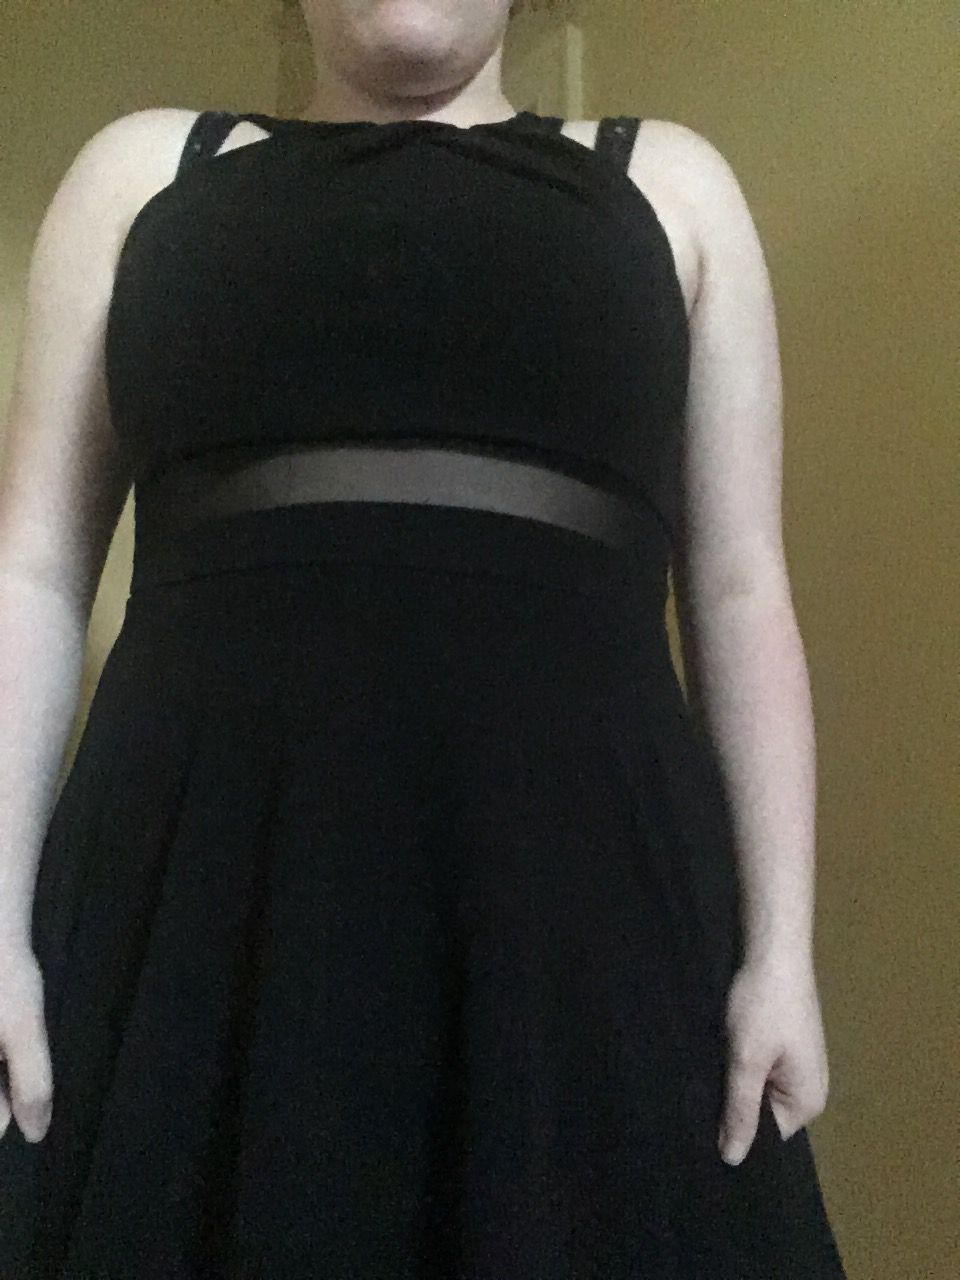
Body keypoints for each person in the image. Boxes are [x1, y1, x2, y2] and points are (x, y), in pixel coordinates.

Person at [0, 1, 848, 1275]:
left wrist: (783, 950)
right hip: (194, 928)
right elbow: (32, 569)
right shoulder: (137, 178)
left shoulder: (675, 189)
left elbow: (740, 588)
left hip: (586, 929)